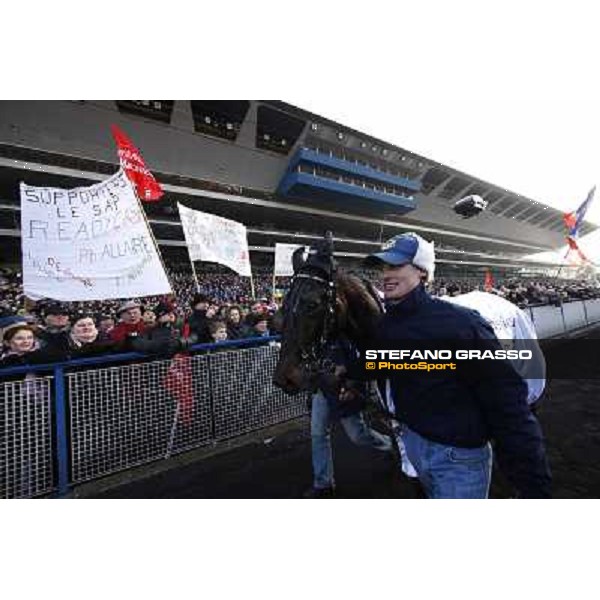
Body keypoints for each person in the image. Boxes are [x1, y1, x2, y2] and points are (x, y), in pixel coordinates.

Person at [357, 232, 551, 499]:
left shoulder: (462, 324)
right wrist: (348, 373)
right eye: (384, 267)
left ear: (422, 273)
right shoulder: (388, 325)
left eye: (396, 265)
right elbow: (385, 363)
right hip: (415, 446)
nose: (386, 274)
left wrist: (533, 483)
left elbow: (507, 403)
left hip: (457, 459)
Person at [304, 336, 393, 498]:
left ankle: (389, 445)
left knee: (358, 435)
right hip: (321, 389)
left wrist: (353, 387)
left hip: (342, 390)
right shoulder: (312, 335)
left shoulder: (344, 335)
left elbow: (360, 362)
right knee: (317, 434)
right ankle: (323, 484)